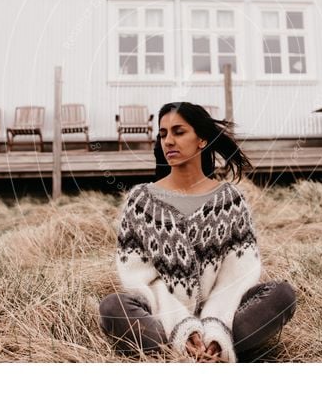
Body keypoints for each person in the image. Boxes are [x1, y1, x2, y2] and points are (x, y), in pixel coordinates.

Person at [99, 102, 296, 362]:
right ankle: (184, 350)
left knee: (282, 295)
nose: (169, 141)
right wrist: (182, 326)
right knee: (112, 307)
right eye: (163, 134)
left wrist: (215, 327)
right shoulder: (140, 202)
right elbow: (140, 278)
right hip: (162, 315)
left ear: (201, 139)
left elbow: (237, 275)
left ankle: (215, 347)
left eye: (179, 132)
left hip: (226, 315)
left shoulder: (230, 200)